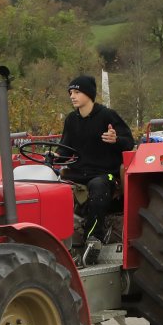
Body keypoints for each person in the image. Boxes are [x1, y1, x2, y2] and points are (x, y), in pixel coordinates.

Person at [58, 74, 136, 253]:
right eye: (70, 93)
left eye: (77, 92)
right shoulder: (71, 120)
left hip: (105, 174)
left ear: (89, 94)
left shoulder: (107, 115)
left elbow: (129, 142)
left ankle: (93, 239)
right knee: (51, 186)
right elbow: (64, 150)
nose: (72, 96)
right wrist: (54, 155)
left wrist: (116, 139)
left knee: (98, 186)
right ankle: (61, 239)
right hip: (78, 173)